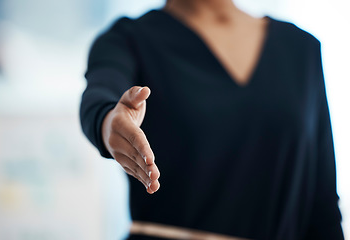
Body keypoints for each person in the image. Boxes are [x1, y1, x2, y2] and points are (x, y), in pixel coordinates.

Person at [80, 0, 344, 239]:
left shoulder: (302, 48)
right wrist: (108, 121)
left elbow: (322, 209)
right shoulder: (128, 39)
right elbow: (102, 93)